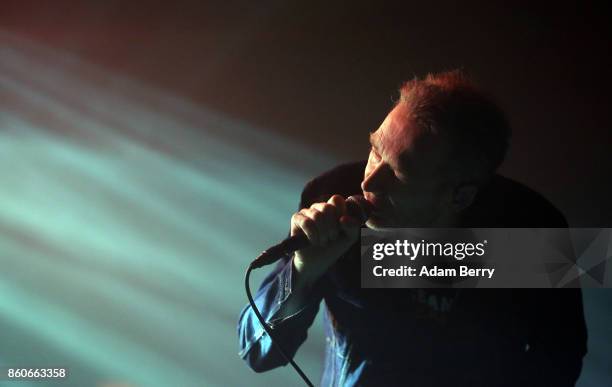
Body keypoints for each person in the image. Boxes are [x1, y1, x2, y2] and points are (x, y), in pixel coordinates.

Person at [237, 70, 587, 386]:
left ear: (460, 196)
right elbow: (257, 354)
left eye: (400, 174)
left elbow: (561, 358)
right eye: (375, 151)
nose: (369, 182)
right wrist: (302, 272)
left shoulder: (535, 229)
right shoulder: (330, 194)